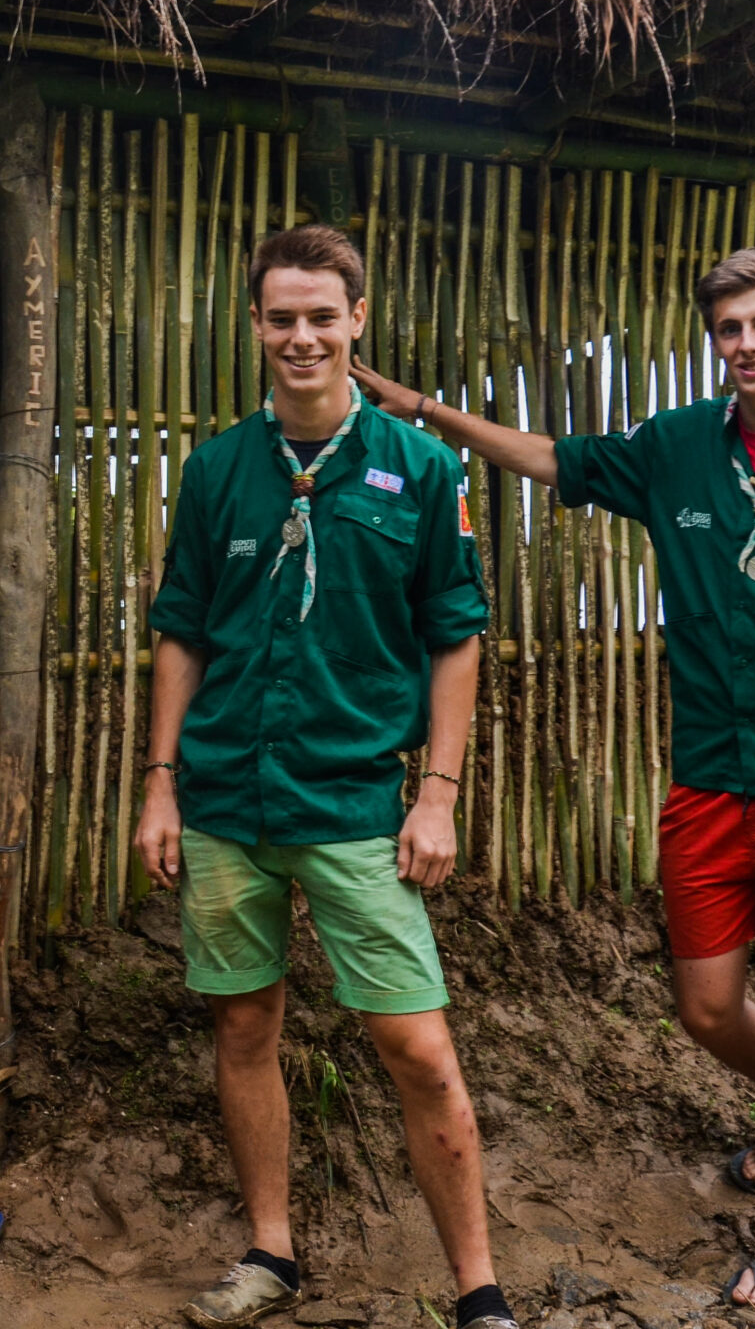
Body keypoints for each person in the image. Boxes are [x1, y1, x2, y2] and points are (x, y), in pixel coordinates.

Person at [350, 246, 755, 1309]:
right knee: (706, 1007)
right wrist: (425, 408)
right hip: (708, 777)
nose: (745, 345)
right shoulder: (675, 449)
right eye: (726, 330)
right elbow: (550, 459)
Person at [135, 225, 514, 1329]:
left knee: (417, 1044)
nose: (300, 336)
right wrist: (159, 783)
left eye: (320, 316)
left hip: (352, 799)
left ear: (357, 323)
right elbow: (181, 633)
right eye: (280, 317)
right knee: (244, 1023)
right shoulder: (215, 470)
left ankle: (477, 1291)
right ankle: (271, 1252)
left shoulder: (419, 466)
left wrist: (436, 793)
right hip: (221, 797)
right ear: (255, 327)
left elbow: (455, 632)